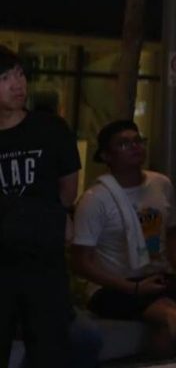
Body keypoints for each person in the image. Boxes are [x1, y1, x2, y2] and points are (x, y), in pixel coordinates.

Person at [71, 119, 176, 358]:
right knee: (174, 318)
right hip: (113, 286)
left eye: (137, 141)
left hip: (159, 275)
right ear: (106, 156)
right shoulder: (95, 200)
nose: (135, 147)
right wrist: (132, 287)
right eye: (124, 144)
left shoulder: (161, 184)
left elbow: (174, 230)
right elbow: (80, 262)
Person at [0, 46, 80, 368]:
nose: (18, 84)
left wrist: (41, 221)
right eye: (4, 78)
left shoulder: (50, 129)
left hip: (43, 263)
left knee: (49, 350)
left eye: (19, 74)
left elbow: (68, 189)